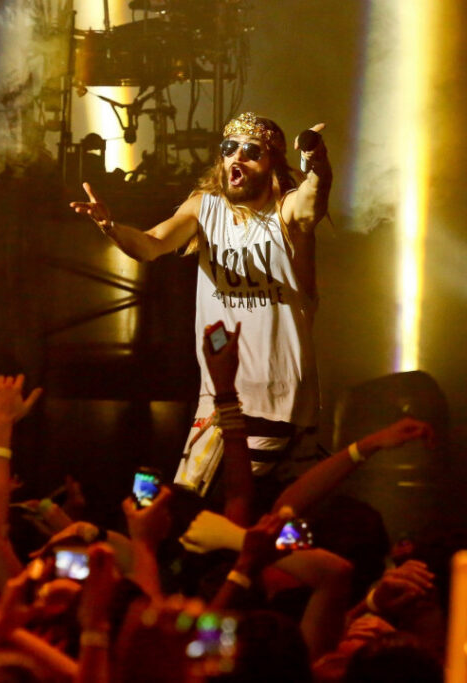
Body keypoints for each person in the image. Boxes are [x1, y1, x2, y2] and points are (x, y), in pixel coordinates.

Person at [70, 112, 332, 498]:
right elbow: (151, 244)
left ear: (272, 165)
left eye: (251, 152)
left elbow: (313, 197)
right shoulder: (203, 208)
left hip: (275, 397)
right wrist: (110, 226)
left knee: (215, 509)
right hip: (219, 397)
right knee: (216, 511)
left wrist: (315, 158)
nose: (237, 157)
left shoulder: (286, 211)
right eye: (229, 148)